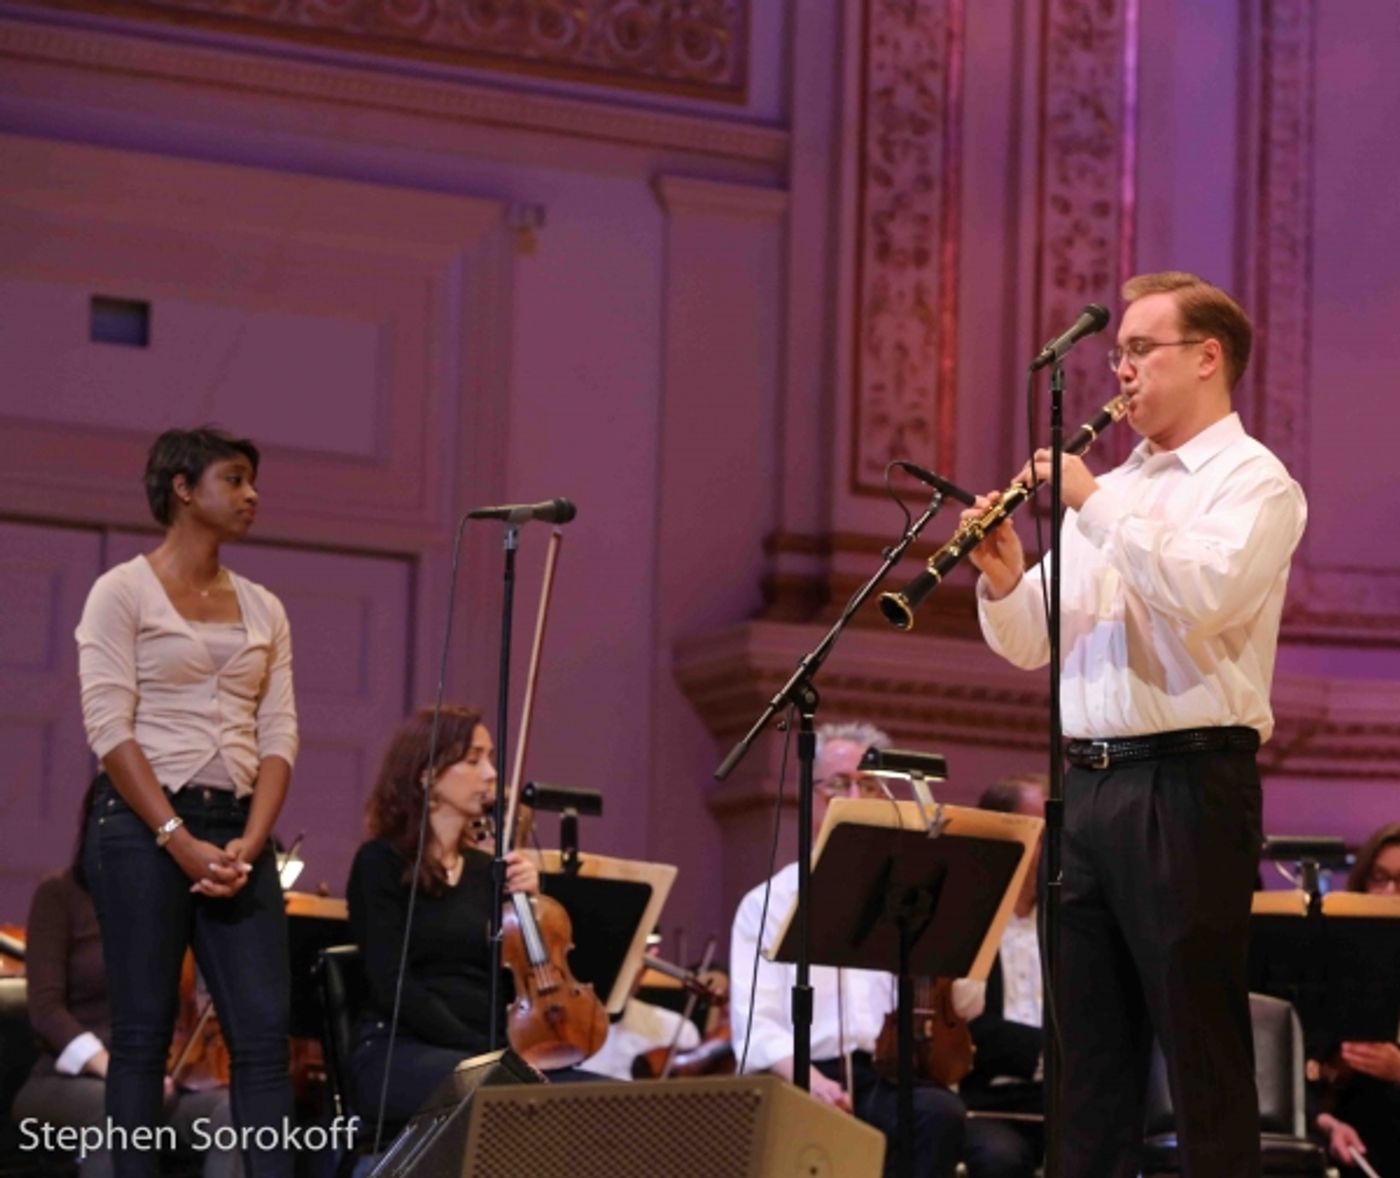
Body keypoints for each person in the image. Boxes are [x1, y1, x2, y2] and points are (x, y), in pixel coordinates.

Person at [967, 271, 1308, 1177]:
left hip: (1187, 783)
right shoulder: (1114, 489)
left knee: (1199, 1050)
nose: (1119, 371)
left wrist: (1092, 502)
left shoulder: (1254, 482)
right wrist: (1002, 578)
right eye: (1116, 352)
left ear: (1207, 358)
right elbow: (1035, 644)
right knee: (1087, 1062)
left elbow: (1205, 596)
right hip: (1088, 787)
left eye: (1139, 350)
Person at [75, 427, 299, 1178]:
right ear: (182, 488)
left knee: (263, 1037)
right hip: (142, 828)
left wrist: (252, 843)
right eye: (234, 479)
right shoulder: (121, 592)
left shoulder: (265, 607)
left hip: (238, 833)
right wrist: (176, 837)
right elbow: (110, 729)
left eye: (252, 480)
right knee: (143, 1035)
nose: (251, 494)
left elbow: (279, 733)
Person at [729, 721, 971, 1178]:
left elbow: (958, 1005)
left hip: (887, 1073)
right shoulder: (768, 902)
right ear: (810, 795)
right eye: (840, 785)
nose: (857, 799)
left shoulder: (910, 892)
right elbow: (755, 1028)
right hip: (804, 1073)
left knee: (939, 1115)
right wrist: (813, 1082)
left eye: (871, 787)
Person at [12, 782, 240, 1178]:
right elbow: (46, 1011)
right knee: (122, 1109)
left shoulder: (168, 903)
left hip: (156, 1082)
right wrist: (114, 1068)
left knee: (235, 1112)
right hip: (66, 1080)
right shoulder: (59, 894)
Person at [346, 705, 541, 1129]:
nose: (491, 773)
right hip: (398, 1049)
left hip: (483, 1053)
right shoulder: (379, 863)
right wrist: (485, 1052)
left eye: (490, 758)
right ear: (426, 774)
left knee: (595, 1094)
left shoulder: (489, 871)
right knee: (508, 1092)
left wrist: (530, 905)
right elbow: (393, 985)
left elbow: (515, 986)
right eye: (473, 760)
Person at [960, 777, 1047, 1178]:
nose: (1052, 848)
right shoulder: (965, 921)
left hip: (1059, 1099)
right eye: (1039, 834)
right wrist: (1049, 1054)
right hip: (985, 1101)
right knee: (1001, 1160)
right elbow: (966, 1028)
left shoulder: (1070, 922)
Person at [1313, 822, 1400, 1176]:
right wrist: (1327, 1123)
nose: (1390, 893)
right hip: (1345, 1148)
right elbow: (1299, 1075)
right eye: (1379, 879)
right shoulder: (1333, 962)